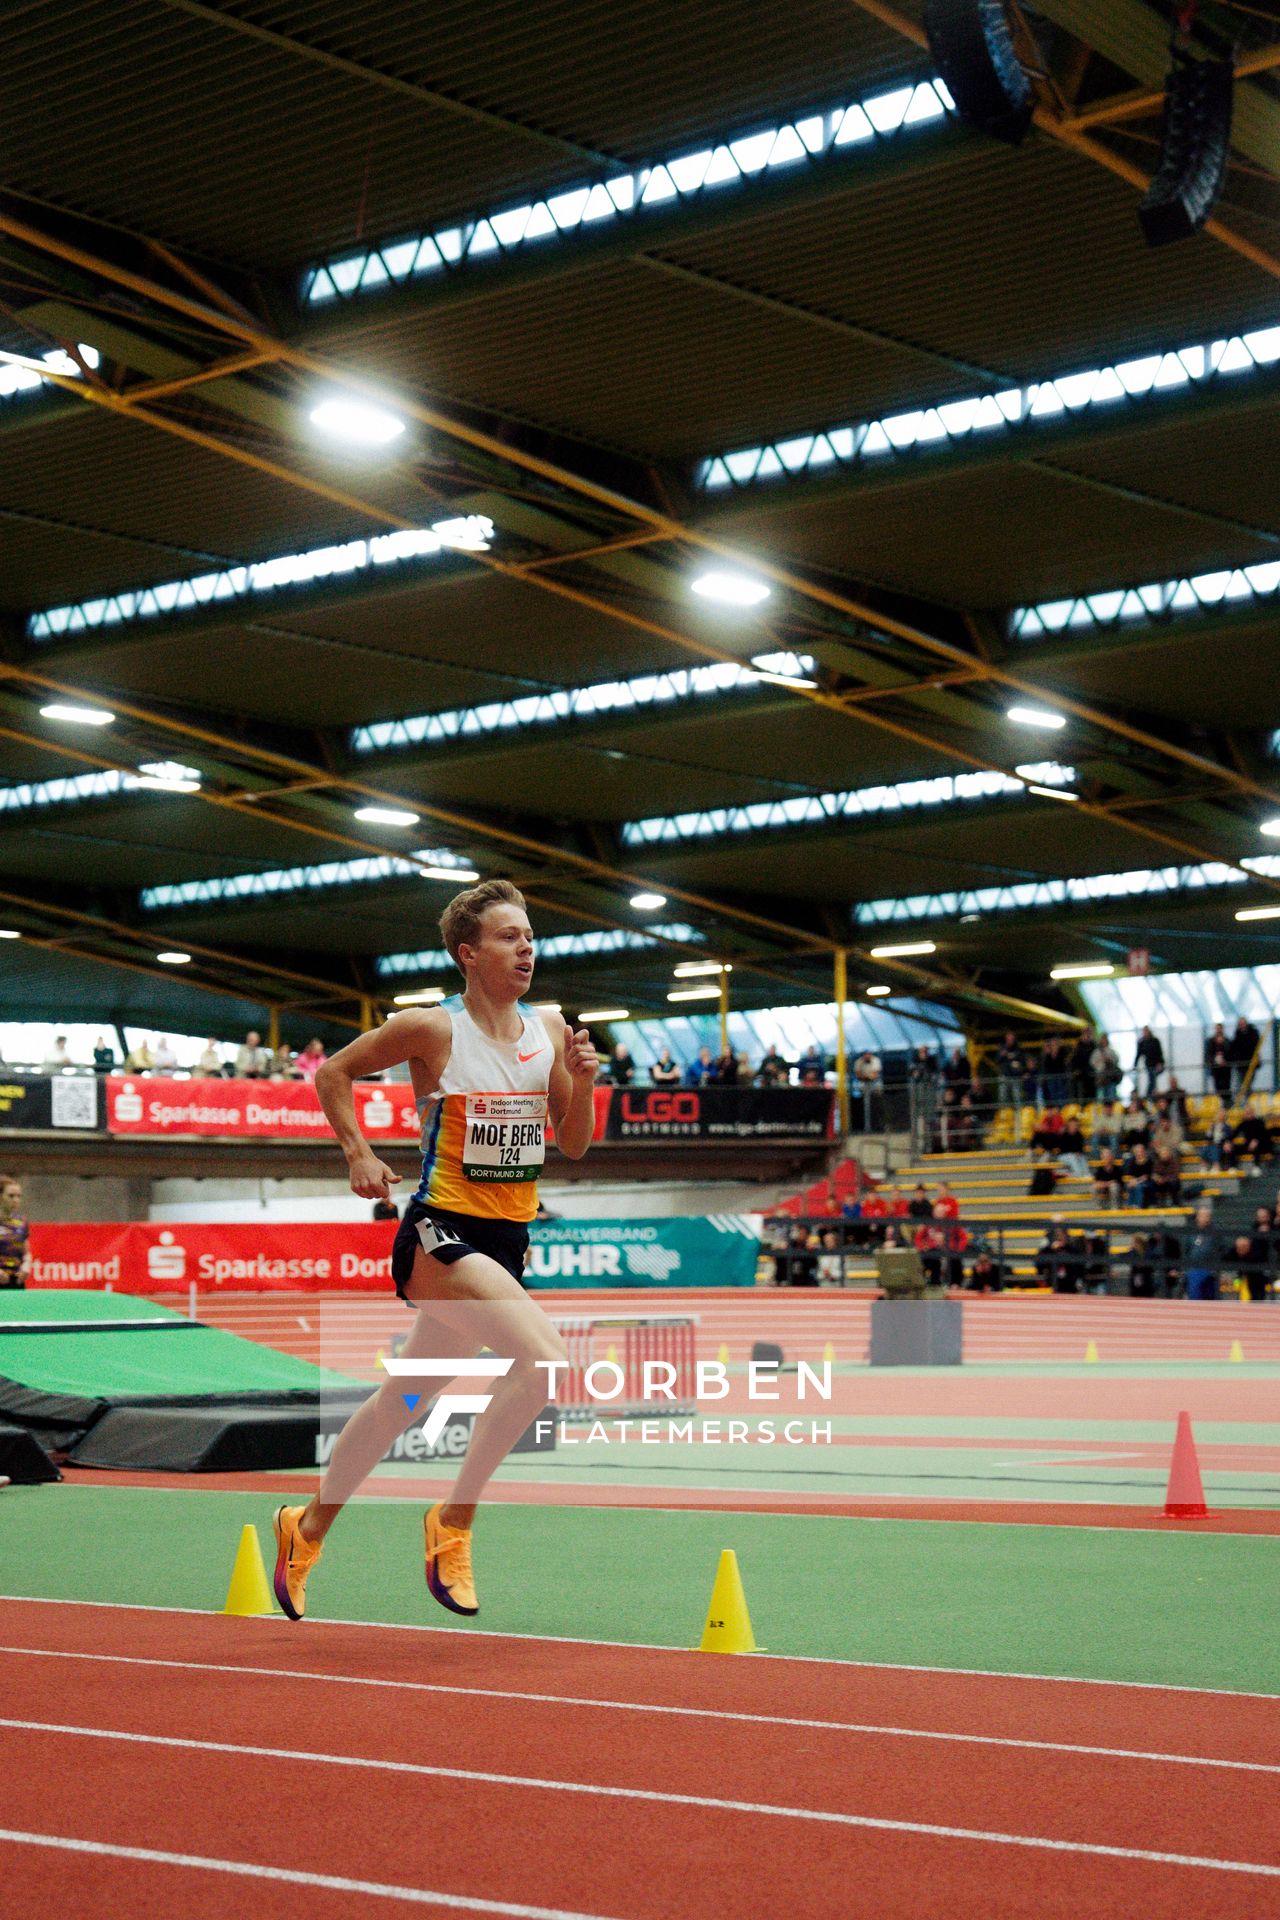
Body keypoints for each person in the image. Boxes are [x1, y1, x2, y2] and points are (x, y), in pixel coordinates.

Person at [270, 877, 599, 1623]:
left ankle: (308, 1525)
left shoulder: (548, 1027)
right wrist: (358, 1152)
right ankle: (454, 1521)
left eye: (530, 937)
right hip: (439, 1233)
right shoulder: (432, 1029)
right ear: (468, 953)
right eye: (509, 937)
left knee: (405, 1400)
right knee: (546, 1361)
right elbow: (333, 1072)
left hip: (505, 1242)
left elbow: (572, 1143)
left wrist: (580, 1083)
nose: (527, 949)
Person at [0, 1176, 30, 1289]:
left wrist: (27, 1264)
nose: (16, 1200)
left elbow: (26, 1252)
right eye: (11, 1196)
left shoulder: (21, 1222)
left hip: (16, 1281)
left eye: (19, 1196)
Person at [1232, 1101, 1275, 1174]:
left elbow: (1264, 1134)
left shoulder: (1259, 1122)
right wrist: (1227, 1142)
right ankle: (1233, 1167)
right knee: (1234, 1147)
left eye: (1249, 1112)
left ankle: (1256, 1167)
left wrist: (1256, 1140)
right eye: (1246, 1113)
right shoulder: (1243, 1123)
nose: (1248, 1114)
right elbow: (1234, 1134)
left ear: (1253, 1112)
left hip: (1262, 1145)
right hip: (1249, 1145)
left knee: (1256, 1145)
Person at [1228, 1016, 1261, 1096]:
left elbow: (1255, 1046)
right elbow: (1234, 1048)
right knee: (1241, 1084)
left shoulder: (1253, 1033)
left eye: (1242, 1023)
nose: (1241, 1025)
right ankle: (1243, 1101)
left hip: (1251, 1063)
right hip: (1241, 1064)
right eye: (1240, 1024)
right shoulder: (1237, 1034)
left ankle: (1247, 1100)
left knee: (1248, 1083)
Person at [996, 1031, 1025, 1111]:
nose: (1010, 1040)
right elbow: (997, 1060)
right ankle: (1004, 1116)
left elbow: (1023, 1061)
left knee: (1017, 1098)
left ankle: (1018, 1115)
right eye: (1009, 1039)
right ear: (1006, 1039)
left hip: (1015, 1077)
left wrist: (1019, 1065)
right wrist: (1001, 1055)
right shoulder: (1002, 1048)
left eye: (1012, 1039)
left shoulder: (1018, 1049)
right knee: (1003, 1098)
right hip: (1004, 1076)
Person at [852, 1050, 881, 1129]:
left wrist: (867, 1076)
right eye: (865, 1055)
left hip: (874, 1084)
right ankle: (864, 1126)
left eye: (869, 1055)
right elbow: (858, 1074)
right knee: (863, 1102)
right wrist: (866, 1076)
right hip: (863, 1084)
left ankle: (876, 1125)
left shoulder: (876, 1060)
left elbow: (874, 1075)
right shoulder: (858, 1062)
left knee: (875, 1101)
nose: (867, 1056)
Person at [1134, 1025, 1164, 1099]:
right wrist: (1135, 1064)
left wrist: (1160, 1063)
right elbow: (1138, 1054)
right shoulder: (1142, 1042)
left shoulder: (1155, 1040)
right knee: (1152, 1079)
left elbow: (1159, 1052)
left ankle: (1150, 1095)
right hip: (1149, 1064)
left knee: (1152, 1079)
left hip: (1156, 1063)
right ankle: (1150, 1096)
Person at [1123, 1140, 1155, 1208]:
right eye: (1137, 1151)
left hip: (1148, 1182)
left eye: (1140, 1151)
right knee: (1129, 1185)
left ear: (1144, 1151)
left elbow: (1146, 1176)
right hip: (1137, 1181)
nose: (1139, 1153)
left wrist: (1136, 1181)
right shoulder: (1132, 1161)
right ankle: (1129, 1204)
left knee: (1138, 1186)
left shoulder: (1149, 1161)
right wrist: (1132, 1181)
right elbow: (1131, 1174)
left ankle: (1138, 1205)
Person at [1091, 1033, 1121, 1104]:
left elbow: (1116, 1060)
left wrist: (1109, 1060)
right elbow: (1092, 1062)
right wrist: (1100, 1062)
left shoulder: (1111, 1051)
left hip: (1110, 1077)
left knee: (1111, 1094)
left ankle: (1111, 1108)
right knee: (1101, 1095)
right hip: (1101, 1077)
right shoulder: (1097, 1052)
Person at [1204, 1023, 1232, 1098]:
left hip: (1226, 1069)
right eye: (1217, 1029)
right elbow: (1208, 1054)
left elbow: (1231, 1053)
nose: (1219, 1030)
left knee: (1226, 1087)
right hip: (1216, 1069)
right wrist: (1214, 1060)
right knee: (1217, 1087)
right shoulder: (1211, 1041)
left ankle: (1227, 1103)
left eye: (1220, 1028)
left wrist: (1225, 1061)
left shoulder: (1227, 1041)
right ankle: (1221, 1102)